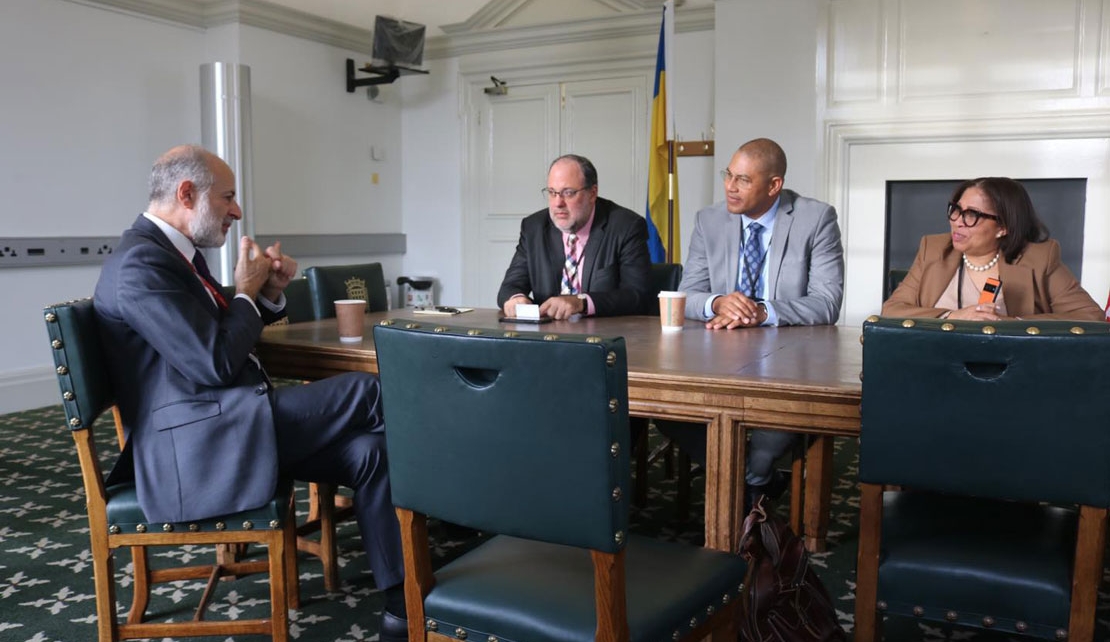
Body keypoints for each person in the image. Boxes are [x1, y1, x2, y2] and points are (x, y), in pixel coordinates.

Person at [93, 145, 408, 641]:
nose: (236, 211)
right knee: (368, 394)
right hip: (196, 449)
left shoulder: (171, 258)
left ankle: (401, 607)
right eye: (228, 197)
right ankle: (488, 489)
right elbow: (216, 361)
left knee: (374, 452)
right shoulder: (140, 266)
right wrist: (244, 292)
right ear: (187, 193)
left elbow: (221, 335)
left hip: (228, 424)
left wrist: (264, 294)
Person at [668, 138, 846, 510]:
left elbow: (827, 304)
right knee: (669, 409)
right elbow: (688, 294)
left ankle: (749, 487)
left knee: (774, 423)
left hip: (787, 361)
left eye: (743, 180)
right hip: (715, 357)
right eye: (728, 176)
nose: (730, 187)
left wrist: (762, 311)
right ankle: (755, 485)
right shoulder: (709, 220)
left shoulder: (816, 218)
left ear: (774, 185)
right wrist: (718, 301)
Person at [883, 176, 1103, 321]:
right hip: (936, 366)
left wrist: (1009, 324)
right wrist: (952, 316)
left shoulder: (1039, 258)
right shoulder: (933, 249)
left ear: (1003, 227)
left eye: (972, 215)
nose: (958, 221)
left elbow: (1090, 316)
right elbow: (892, 311)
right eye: (956, 210)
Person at [497, 154, 653, 319]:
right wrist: (516, 299)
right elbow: (510, 287)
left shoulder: (625, 226)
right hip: (548, 337)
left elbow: (638, 296)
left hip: (604, 336)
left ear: (592, 193)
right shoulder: (534, 228)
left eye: (568, 193)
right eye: (552, 192)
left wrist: (581, 303)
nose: (558, 203)